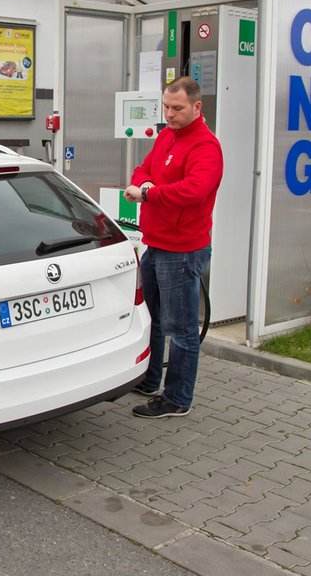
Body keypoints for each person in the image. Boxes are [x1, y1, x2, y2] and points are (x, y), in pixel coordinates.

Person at [123, 76, 223, 418]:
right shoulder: (167, 136)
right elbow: (143, 168)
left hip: (182, 250)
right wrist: (141, 182)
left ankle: (177, 399)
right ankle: (150, 380)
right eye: (166, 106)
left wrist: (149, 192)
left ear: (197, 107)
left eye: (177, 108)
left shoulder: (206, 147)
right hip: (157, 244)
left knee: (181, 329)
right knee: (152, 319)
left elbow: (193, 191)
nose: (170, 114)